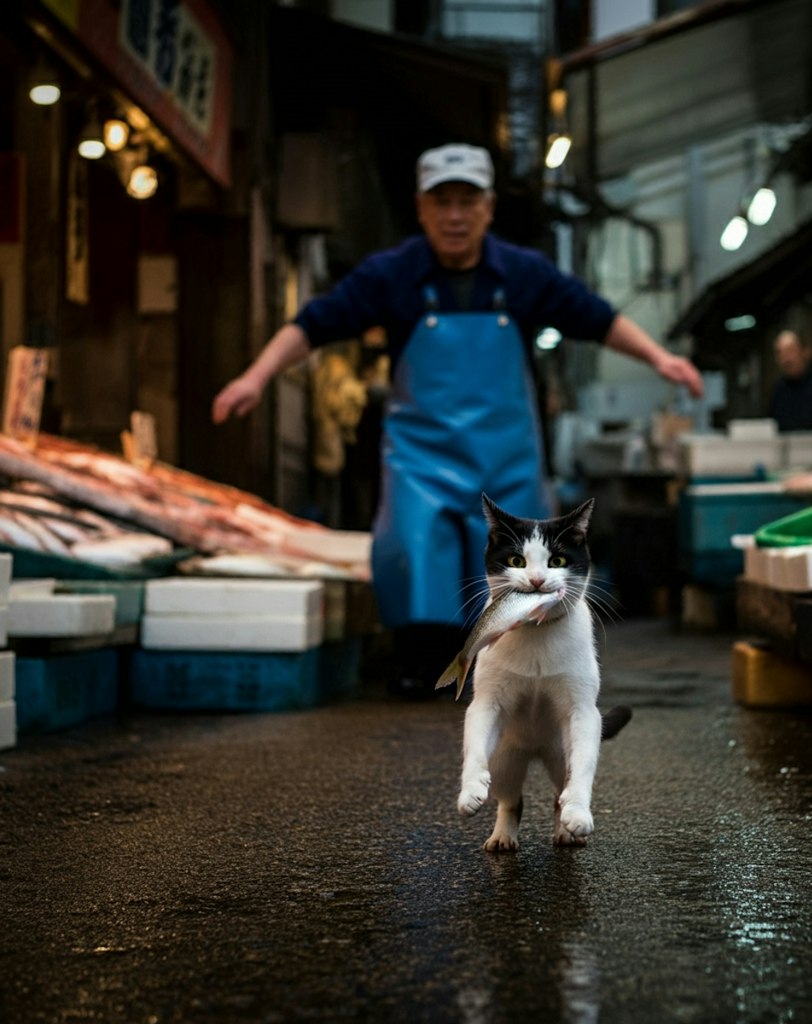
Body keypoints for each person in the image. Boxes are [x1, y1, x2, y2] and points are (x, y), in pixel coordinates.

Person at [212, 142, 703, 694]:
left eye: (467, 201)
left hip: (506, 456)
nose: (454, 215)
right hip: (421, 460)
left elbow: (597, 317)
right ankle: (420, 668)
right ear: (421, 209)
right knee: (412, 547)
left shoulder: (522, 273)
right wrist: (255, 377)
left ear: (488, 207)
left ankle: (509, 674)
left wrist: (659, 358)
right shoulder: (392, 274)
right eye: (440, 201)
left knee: (517, 571)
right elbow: (314, 324)